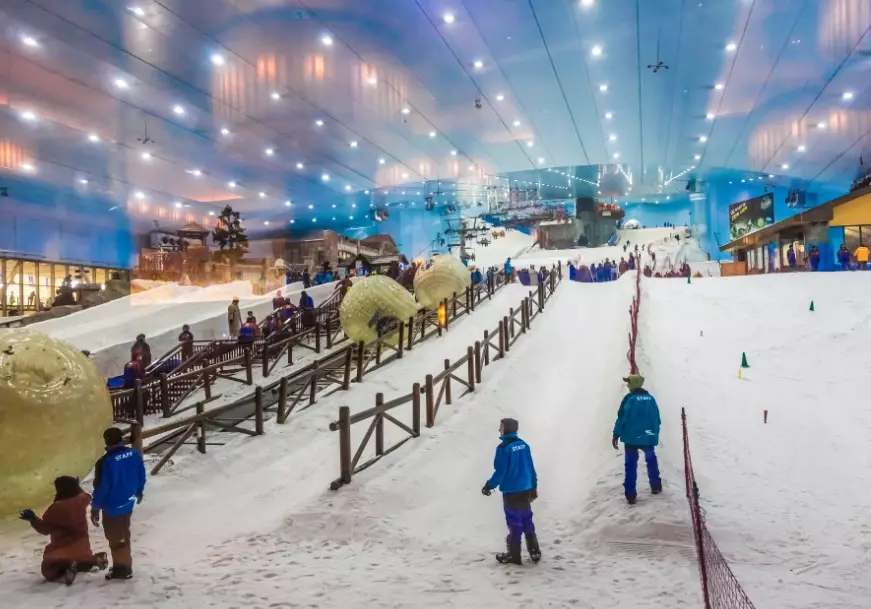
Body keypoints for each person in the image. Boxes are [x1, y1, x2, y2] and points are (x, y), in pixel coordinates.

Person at [20, 476, 108, 585]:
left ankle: (68, 566)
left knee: (48, 569)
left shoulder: (56, 508)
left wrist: (33, 519)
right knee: (81, 559)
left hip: (63, 549)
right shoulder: (81, 500)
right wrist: (76, 486)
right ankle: (93, 560)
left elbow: (45, 529)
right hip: (82, 547)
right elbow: (87, 496)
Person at [482, 418, 540, 565]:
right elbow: (531, 468)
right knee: (527, 519)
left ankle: (514, 555)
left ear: (506, 429)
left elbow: (500, 472)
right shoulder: (524, 445)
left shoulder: (503, 448)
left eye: (501, 427)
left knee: (514, 522)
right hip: (525, 489)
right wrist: (534, 487)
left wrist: (489, 485)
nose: (499, 430)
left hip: (511, 492)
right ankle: (534, 551)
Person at [91, 427, 146, 580]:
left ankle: (123, 570)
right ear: (121, 439)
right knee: (124, 533)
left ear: (106, 441)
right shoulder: (134, 454)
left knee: (116, 539)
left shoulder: (104, 462)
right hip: (128, 502)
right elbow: (141, 474)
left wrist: (95, 509)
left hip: (112, 507)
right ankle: (125, 564)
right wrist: (139, 491)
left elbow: (101, 488)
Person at [612, 374, 662, 505]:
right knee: (651, 459)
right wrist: (654, 433)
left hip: (631, 438)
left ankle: (631, 494)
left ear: (634, 384)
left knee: (631, 465)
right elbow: (657, 418)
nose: (627, 384)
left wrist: (616, 434)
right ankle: (656, 485)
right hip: (647, 436)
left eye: (629, 382)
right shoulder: (651, 399)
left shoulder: (629, 399)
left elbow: (622, 417)